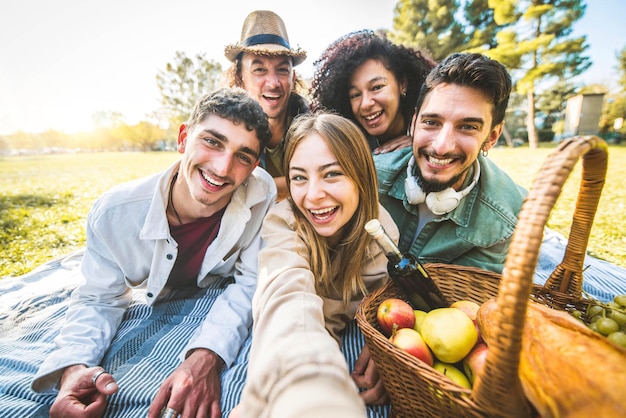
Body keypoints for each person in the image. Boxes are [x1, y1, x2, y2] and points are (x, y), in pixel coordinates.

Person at [30, 87, 276, 418]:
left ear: (254, 166)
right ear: (183, 138)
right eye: (212, 142)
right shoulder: (114, 214)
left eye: (243, 156)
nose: (221, 167)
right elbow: (99, 299)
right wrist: (74, 368)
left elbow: (250, 283)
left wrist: (206, 355)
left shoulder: (261, 194)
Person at [232, 112, 400, 418]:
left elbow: (371, 300)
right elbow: (286, 295)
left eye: (332, 173)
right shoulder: (284, 222)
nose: (312, 195)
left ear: (361, 175)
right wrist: (298, 378)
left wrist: (384, 342)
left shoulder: (379, 234)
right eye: (298, 177)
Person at [373, 52, 524, 273]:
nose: (441, 147)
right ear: (414, 123)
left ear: (492, 137)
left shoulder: (509, 217)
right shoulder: (371, 176)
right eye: (431, 122)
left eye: (467, 127)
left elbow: (462, 302)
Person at [224, 10, 309, 201]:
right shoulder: (227, 128)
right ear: (240, 76)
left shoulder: (315, 124)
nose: (273, 83)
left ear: (292, 77)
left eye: (282, 70)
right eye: (259, 69)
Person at [310, 29, 436, 154]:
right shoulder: (348, 148)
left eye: (376, 87)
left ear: (402, 84)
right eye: (355, 95)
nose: (365, 104)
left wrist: (421, 139)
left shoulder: (435, 124)